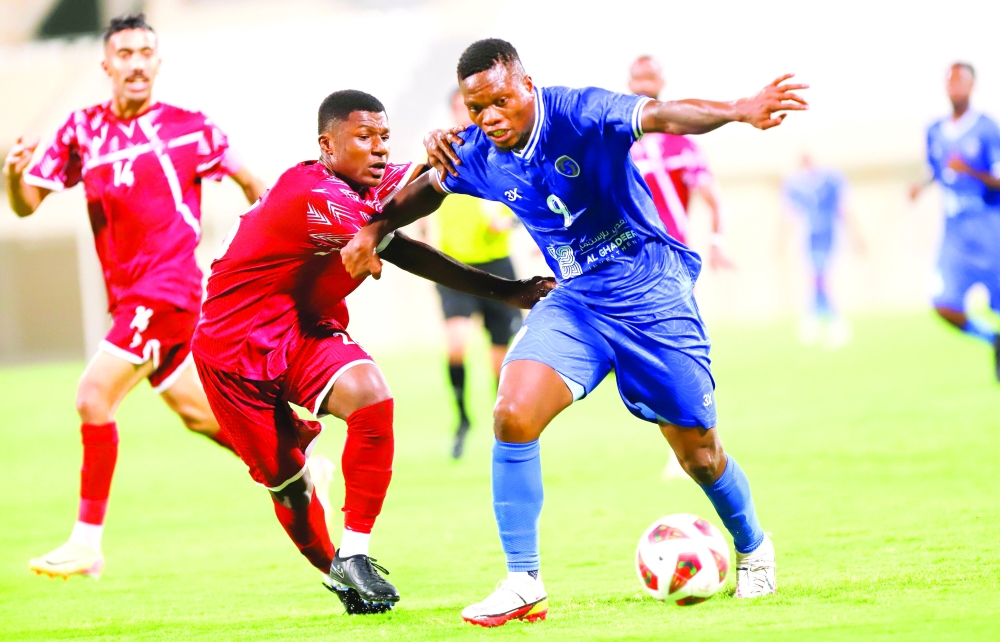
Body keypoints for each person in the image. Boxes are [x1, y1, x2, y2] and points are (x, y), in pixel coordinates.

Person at [342, 38, 808, 626]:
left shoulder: (578, 112)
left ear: (527, 85)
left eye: (501, 101)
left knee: (699, 456)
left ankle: (752, 545)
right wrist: (376, 224)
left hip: (650, 292)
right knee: (512, 412)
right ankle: (522, 581)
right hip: (577, 302)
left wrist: (740, 108)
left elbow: (659, 115)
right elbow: (422, 194)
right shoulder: (480, 149)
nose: (489, 118)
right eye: (475, 107)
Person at [191, 89, 553, 614]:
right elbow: (406, 247)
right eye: (365, 138)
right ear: (327, 145)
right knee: (290, 485)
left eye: (384, 137)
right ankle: (337, 573)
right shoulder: (313, 193)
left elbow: (426, 184)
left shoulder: (362, 177)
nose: (380, 148)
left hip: (303, 327)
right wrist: (509, 289)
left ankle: (355, 552)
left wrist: (464, 143)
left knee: (371, 396)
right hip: (232, 349)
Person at [2, 13, 270, 580]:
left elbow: (254, 183)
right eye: (124, 53)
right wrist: (12, 175)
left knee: (92, 396)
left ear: (158, 62)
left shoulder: (190, 128)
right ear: (107, 66)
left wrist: (256, 254)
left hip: (168, 290)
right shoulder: (82, 130)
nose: (136, 62)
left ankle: (85, 542)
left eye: (146, 52)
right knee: (200, 415)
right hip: (130, 299)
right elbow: (27, 203)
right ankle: (296, 465)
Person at [430, 89, 523, 458]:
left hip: (497, 265)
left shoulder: (503, 149)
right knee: (456, 344)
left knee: (500, 360)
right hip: (454, 266)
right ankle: (462, 419)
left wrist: (508, 220)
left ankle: (505, 428)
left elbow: (525, 200)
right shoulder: (441, 152)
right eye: (465, 108)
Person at [911, 62, 1000, 380]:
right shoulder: (934, 130)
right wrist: (920, 187)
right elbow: (937, 169)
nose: (954, 87)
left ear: (972, 86)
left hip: (988, 227)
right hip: (954, 231)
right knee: (943, 305)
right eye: (950, 81)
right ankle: (993, 339)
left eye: (960, 81)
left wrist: (971, 172)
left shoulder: (987, 129)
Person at [627, 55, 733, 269]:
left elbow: (714, 200)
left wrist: (716, 243)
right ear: (629, 83)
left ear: (661, 82)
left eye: (650, 77)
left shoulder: (682, 147)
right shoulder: (616, 144)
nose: (644, 84)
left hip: (673, 257)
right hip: (626, 260)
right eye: (639, 78)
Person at [782, 153, 860, 348]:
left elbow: (844, 208)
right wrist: (782, 241)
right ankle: (817, 319)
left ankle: (832, 321)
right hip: (809, 237)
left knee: (825, 277)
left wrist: (856, 235)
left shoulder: (831, 180)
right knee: (814, 277)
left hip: (830, 235)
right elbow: (789, 215)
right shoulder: (795, 184)